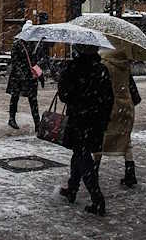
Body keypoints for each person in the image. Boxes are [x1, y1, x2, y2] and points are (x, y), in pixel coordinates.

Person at [56, 44, 114, 216]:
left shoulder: (72, 67)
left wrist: (65, 81)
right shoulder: (101, 69)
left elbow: (64, 96)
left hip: (79, 120)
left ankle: (97, 199)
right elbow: (109, 98)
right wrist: (103, 117)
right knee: (80, 152)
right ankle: (72, 188)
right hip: (95, 121)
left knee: (82, 156)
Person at [94, 45, 141, 188]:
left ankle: (94, 170)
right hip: (125, 105)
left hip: (109, 106)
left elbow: (101, 87)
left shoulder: (104, 64)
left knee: (99, 138)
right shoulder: (124, 63)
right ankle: (130, 172)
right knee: (125, 139)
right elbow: (131, 86)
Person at [6, 37, 46, 130]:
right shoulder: (18, 44)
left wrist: (40, 74)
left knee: (33, 100)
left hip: (30, 77)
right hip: (18, 77)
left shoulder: (33, 44)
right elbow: (15, 61)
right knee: (15, 97)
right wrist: (21, 72)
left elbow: (34, 62)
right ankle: (12, 119)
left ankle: (37, 123)